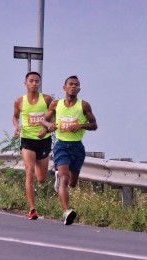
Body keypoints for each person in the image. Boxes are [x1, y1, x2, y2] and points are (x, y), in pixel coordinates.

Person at [41, 75, 97, 225]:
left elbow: (94, 125)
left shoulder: (84, 105)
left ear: (79, 89)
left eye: (76, 85)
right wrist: (48, 125)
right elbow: (43, 119)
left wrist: (81, 125)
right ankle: (66, 212)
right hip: (61, 146)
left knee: (72, 182)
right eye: (70, 84)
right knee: (65, 178)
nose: (73, 87)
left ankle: (60, 180)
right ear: (64, 87)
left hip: (77, 147)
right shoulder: (56, 104)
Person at [12, 71, 53, 220]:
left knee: (41, 179)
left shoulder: (47, 99)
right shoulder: (19, 101)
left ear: (40, 83)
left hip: (44, 139)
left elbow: (54, 117)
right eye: (31, 81)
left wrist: (46, 128)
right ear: (25, 83)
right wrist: (17, 127)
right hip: (27, 139)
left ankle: (43, 172)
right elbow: (15, 117)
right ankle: (32, 209)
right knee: (29, 171)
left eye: (37, 81)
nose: (34, 83)